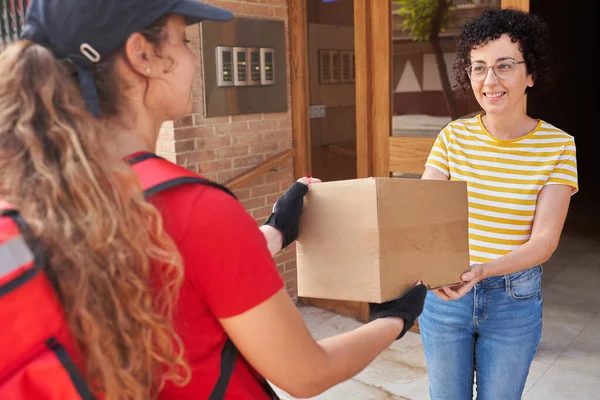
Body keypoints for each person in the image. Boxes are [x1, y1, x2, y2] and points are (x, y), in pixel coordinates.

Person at [0, 0, 428, 399]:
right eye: (184, 41)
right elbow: (306, 373)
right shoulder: (195, 209)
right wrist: (394, 318)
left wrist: (275, 230)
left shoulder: (27, 193)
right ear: (142, 55)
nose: (192, 59)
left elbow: (173, 274)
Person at [418, 7, 578, 400]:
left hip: (513, 301)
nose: (490, 81)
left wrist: (485, 270)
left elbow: (544, 242)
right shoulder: (453, 138)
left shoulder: (558, 146)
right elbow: (419, 215)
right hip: (446, 297)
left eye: (504, 66)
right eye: (478, 67)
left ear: (531, 73)